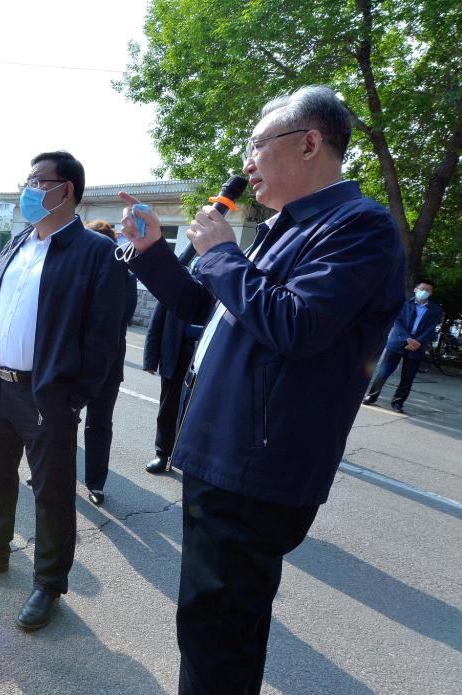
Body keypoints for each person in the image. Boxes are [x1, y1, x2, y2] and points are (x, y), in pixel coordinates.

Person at [117, 85, 405, 694]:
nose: (246, 164)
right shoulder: (285, 226)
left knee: (216, 631)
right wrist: (152, 252)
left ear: (309, 143)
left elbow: (296, 325)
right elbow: (206, 306)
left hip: (257, 464)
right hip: (223, 449)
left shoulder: (360, 227)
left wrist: (223, 253)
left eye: (256, 146)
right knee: (218, 623)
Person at [0, 151, 124, 631]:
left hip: (47, 396)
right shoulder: (18, 243)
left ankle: (48, 584)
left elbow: (105, 337)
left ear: (65, 190)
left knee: (51, 493)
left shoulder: (95, 252)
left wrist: (73, 396)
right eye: (27, 180)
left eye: (37, 181)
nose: (27, 189)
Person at [80, 219, 133, 506]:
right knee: (63, 419)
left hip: (107, 362)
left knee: (98, 422)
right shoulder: (78, 268)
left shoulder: (122, 271)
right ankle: (51, 471)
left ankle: (96, 483)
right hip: (76, 360)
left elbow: (124, 316)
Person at [142, 254, 203, 474]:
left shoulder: (220, 282)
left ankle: (193, 461)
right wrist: (150, 359)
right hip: (177, 351)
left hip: (204, 354)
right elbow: (156, 321)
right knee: (169, 407)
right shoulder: (179, 282)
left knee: (200, 411)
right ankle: (162, 453)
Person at [363, 279, 442, 413]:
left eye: (428, 290)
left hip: (417, 346)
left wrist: (418, 342)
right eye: (422, 289)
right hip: (397, 342)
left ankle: (398, 403)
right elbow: (397, 322)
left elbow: (431, 328)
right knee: (384, 372)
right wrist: (407, 338)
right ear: (416, 289)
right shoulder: (404, 303)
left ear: (431, 293)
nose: (424, 292)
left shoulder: (435, 310)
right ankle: (372, 395)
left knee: (408, 377)